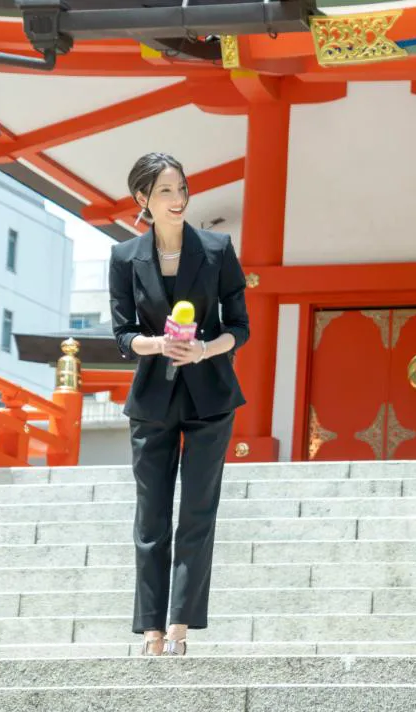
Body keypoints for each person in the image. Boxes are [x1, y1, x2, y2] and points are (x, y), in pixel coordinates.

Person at [109, 153, 250, 656]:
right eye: (165, 191)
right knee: (150, 517)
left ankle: (180, 629)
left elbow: (240, 325)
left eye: (182, 189)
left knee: (196, 511)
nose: (178, 199)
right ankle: (149, 631)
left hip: (211, 393)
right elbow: (123, 335)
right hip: (151, 398)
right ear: (143, 199)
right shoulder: (125, 257)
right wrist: (155, 344)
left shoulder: (215, 248)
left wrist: (205, 348)